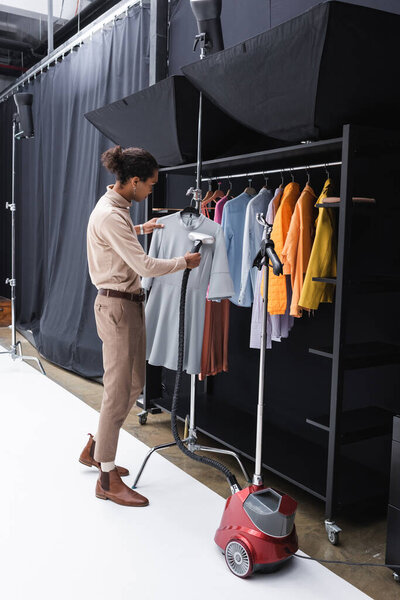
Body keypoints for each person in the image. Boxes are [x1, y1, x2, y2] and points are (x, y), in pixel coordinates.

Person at [79, 145, 201, 507]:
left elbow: (114, 235)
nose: (151, 191)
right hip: (117, 306)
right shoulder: (110, 214)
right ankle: (106, 478)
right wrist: (184, 261)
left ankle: (97, 449)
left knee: (133, 383)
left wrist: (139, 228)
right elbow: (146, 266)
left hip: (127, 306)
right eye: (149, 185)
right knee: (118, 389)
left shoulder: (116, 211)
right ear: (133, 181)